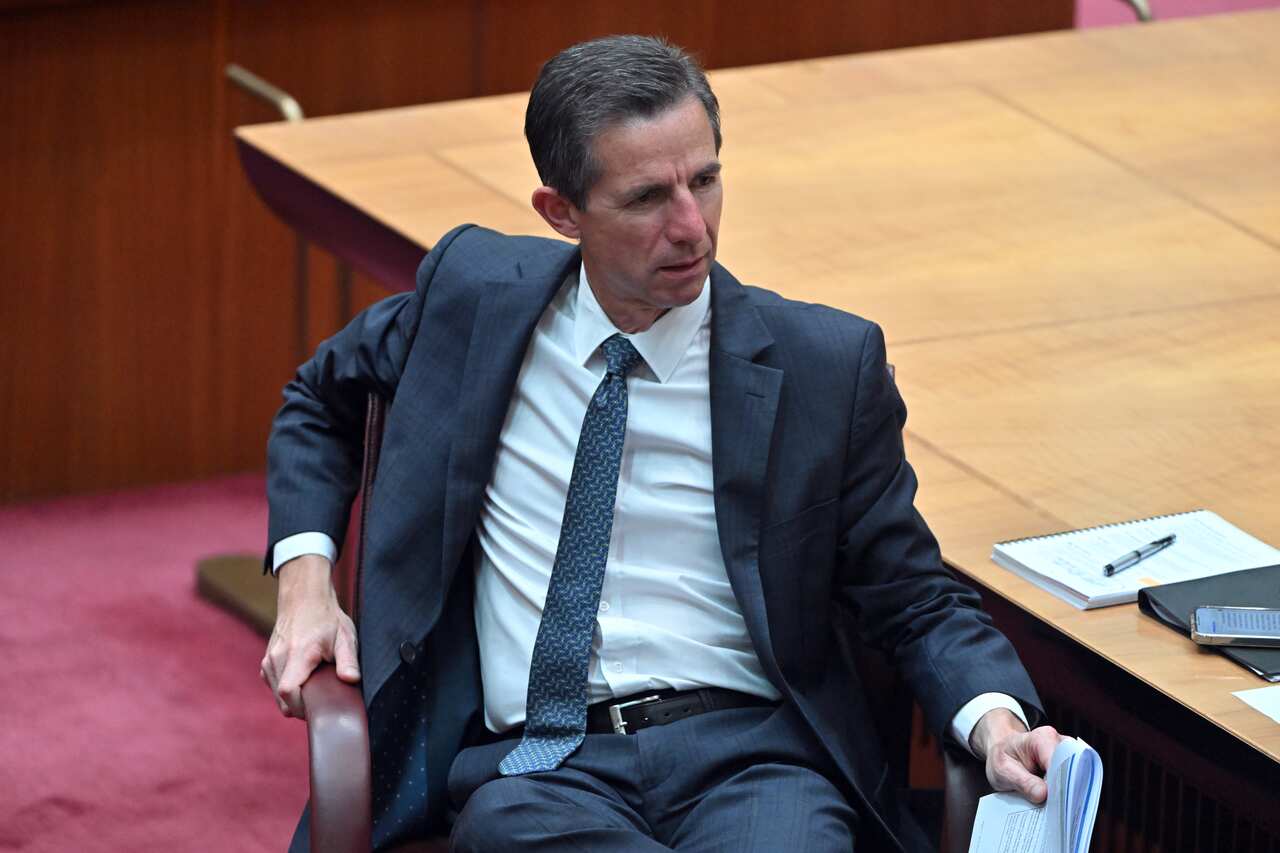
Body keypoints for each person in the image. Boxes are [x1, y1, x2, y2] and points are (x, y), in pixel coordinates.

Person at [260, 34, 1063, 853]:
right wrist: (306, 583)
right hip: (542, 766)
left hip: (754, 762)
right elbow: (320, 399)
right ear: (560, 212)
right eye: (647, 198)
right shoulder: (475, 299)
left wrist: (996, 723)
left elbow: (916, 596)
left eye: (706, 180)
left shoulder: (823, 366)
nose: (692, 228)